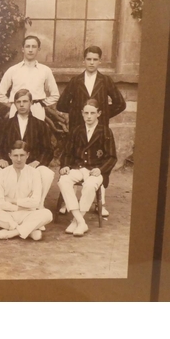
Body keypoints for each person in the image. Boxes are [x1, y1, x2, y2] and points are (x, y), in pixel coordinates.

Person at [57, 45, 126, 217]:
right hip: (78, 130)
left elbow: (120, 103)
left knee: (99, 162)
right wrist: (77, 113)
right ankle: (68, 200)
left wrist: (101, 116)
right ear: (84, 60)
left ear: (100, 61)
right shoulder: (75, 81)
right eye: (89, 59)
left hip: (98, 129)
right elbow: (62, 104)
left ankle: (100, 202)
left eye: (95, 59)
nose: (92, 62)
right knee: (74, 161)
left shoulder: (106, 81)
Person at [0, 89, 54, 208]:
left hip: (32, 165)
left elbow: (48, 149)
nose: (22, 105)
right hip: (10, 165)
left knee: (47, 174)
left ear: (31, 103)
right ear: (14, 104)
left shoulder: (40, 124)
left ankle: (38, 206)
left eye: (25, 101)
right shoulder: (6, 124)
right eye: (18, 102)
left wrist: (38, 162)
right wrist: (0, 159)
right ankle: (0, 205)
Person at [57, 99, 117, 236]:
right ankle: (80, 221)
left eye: (92, 113)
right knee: (63, 180)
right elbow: (66, 152)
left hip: (95, 170)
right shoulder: (76, 130)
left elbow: (112, 157)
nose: (89, 116)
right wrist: (65, 165)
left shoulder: (105, 131)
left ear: (99, 113)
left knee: (90, 185)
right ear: (82, 113)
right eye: (86, 113)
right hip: (77, 168)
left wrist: (101, 169)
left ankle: (76, 221)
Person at [0, 140, 53, 241]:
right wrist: (19, 207)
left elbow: (36, 202)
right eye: (15, 155)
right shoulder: (2, 174)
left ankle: (9, 234)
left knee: (47, 214)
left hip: (27, 214)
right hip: (7, 213)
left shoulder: (34, 173)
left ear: (28, 155)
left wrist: (13, 201)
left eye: (22, 155)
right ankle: (29, 231)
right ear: (10, 156)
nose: (19, 159)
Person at [0, 35, 59, 121]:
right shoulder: (13, 70)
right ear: (22, 49)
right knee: (18, 133)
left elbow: (55, 95)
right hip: (17, 110)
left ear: (38, 49)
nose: (30, 50)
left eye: (34, 47)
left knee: (36, 133)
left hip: (37, 111)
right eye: (27, 46)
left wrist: (41, 104)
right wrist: (14, 105)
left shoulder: (45, 70)